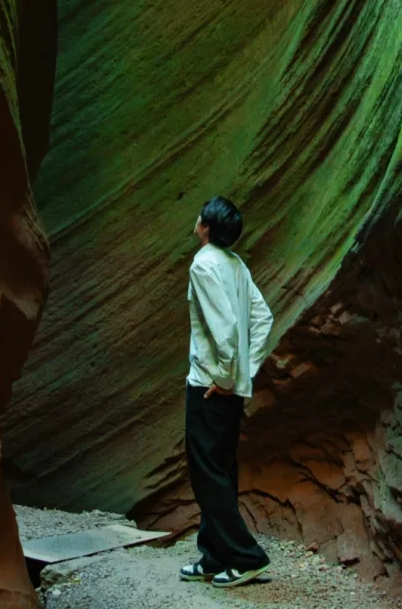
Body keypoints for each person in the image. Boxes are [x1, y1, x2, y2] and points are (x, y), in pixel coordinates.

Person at [180, 196, 274, 590]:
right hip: (229, 389)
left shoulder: (204, 264)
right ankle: (213, 555)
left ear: (206, 226)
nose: (198, 218)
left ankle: (245, 556)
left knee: (207, 474)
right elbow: (262, 318)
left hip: (208, 388)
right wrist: (242, 375)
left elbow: (223, 330)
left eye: (202, 214)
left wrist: (222, 376)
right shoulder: (236, 265)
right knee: (221, 470)